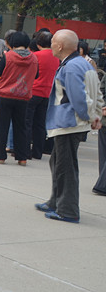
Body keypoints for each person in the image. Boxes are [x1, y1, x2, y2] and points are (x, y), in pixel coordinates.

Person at [35, 29, 103, 223]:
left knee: (65, 167)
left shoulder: (71, 67)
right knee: (58, 162)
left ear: (59, 46)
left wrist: (92, 116)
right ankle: (56, 202)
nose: (51, 45)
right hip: (72, 122)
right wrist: (95, 115)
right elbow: (96, 94)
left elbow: (79, 98)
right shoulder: (83, 63)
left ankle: (67, 210)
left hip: (69, 123)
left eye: (53, 42)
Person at [0, 31, 38, 165]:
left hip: (5, 95)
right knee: (21, 127)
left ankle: (0, 156)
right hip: (23, 96)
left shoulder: (8, 56)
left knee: (2, 126)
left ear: (12, 43)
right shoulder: (34, 58)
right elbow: (36, 75)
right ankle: (22, 157)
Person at [25, 31, 59, 160]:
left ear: (38, 43)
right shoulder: (56, 57)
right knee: (40, 124)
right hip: (47, 93)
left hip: (33, 91)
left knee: (27, 122)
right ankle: (37, 152)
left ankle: (25, 151)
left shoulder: (35, 56)